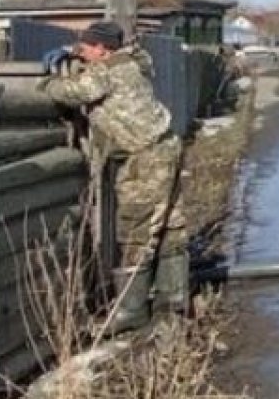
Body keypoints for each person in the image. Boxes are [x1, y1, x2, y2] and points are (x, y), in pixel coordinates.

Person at [40, 21, 186, 333]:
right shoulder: (132, 62)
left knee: (135, 227)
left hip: (144, 157)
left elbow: (75, 91)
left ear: (102, 49)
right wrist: (73, 53)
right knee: (170, 223)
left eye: (86, 47)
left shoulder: (105, 73)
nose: (81, 51)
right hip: (166, 146)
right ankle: (173, 300)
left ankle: (131, 311)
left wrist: (47, 82)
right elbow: (123, 60)